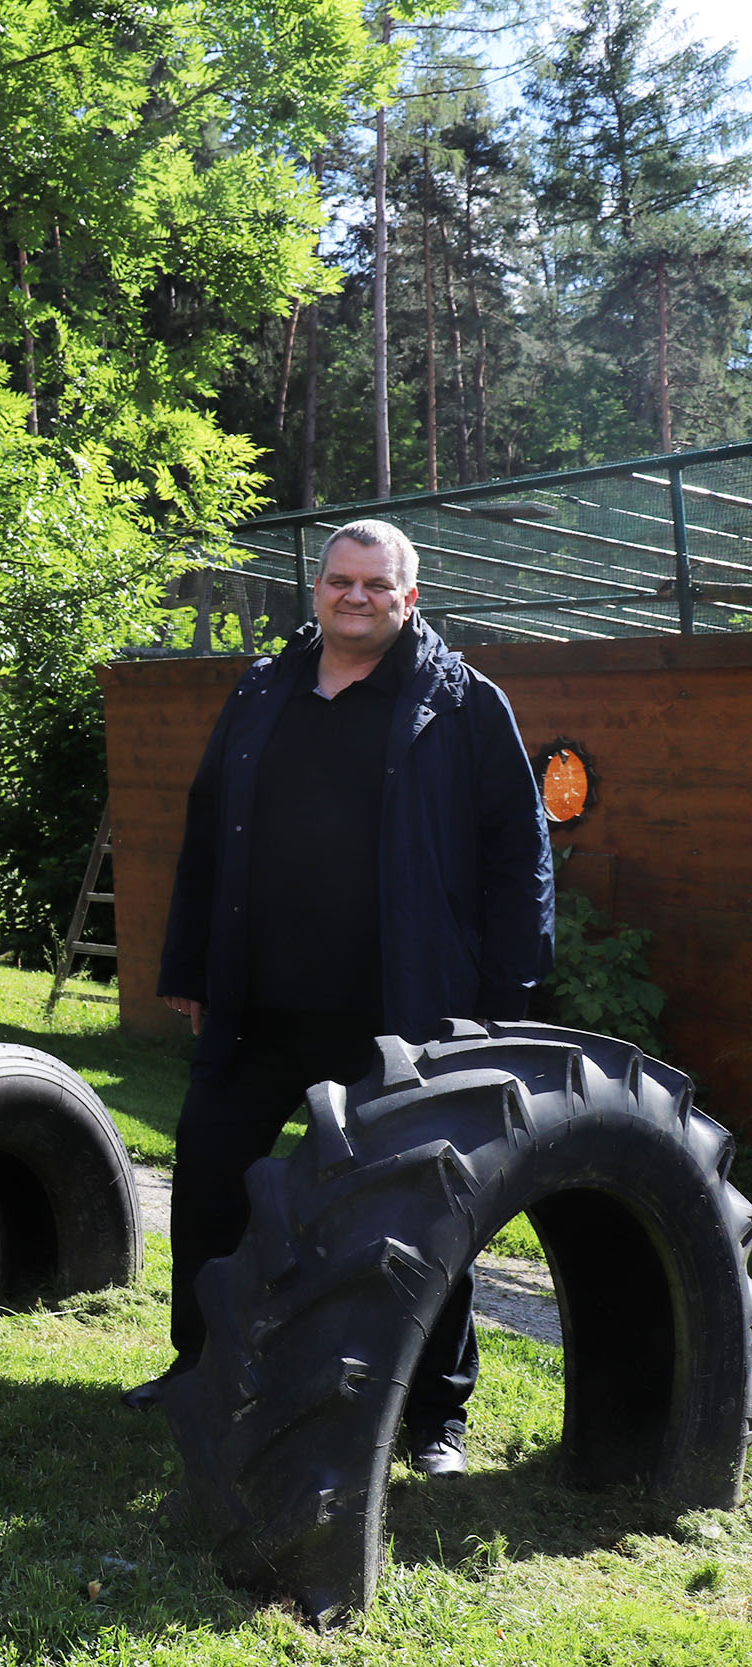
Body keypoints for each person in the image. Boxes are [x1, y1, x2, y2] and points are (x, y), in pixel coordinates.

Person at [125, 518, 553, 1477]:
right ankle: (200, 1367)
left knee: (420, 1214)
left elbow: (517, 856)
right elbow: (207, 827)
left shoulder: (461, 703)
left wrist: (501, 1002)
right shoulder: (265, 687)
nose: (355, 598)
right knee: (206, 1174)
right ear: (315, 591)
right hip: (260, 1003)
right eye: (339, 582)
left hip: (401, 1015)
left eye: (376, 584)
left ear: (411, 596)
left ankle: (435, 1414)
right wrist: (192, 964)